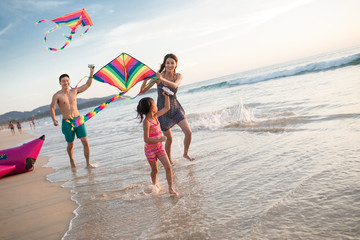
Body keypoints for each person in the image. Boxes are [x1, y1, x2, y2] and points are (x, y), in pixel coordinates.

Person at [141, 54, 194, 164]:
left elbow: (174, 86)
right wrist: (145, 80)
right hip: (162, 110)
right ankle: (169, 160)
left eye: (172, 63)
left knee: (188, 132)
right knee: (169, 139)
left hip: (175, 108)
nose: (169, 65)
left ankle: (185, 153)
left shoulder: (178, 76)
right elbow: (143, 91)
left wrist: (161, 79)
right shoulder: (158, 77)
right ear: (164, 64)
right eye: (167, 63)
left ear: (176, 64)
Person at [50, 66, 96, 168]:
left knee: (85, 141)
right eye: (63, 81)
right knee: (70, 145)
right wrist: (54, 119)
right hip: (67, 122)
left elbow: (88, 84)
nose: (66, 83)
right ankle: (71, 160)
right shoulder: (57, 95)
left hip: (78, 120)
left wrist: (91, 71)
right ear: (60, 83)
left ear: (69, 82)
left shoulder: (74, 91)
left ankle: (88, 164)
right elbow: (52, 108)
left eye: (67, 81)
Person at [136, 91, 178, 196]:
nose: (156, 106)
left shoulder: (155, 116)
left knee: (168, 167)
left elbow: (167, 108)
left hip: (159, 148)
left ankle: (171, 189)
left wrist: (167, 96)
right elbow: (146, 139)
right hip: (150, 150)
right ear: (151, 108)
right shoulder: (147, 122)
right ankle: (154, 185)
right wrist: (159, 139)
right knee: (155, 170)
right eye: (154, 104)